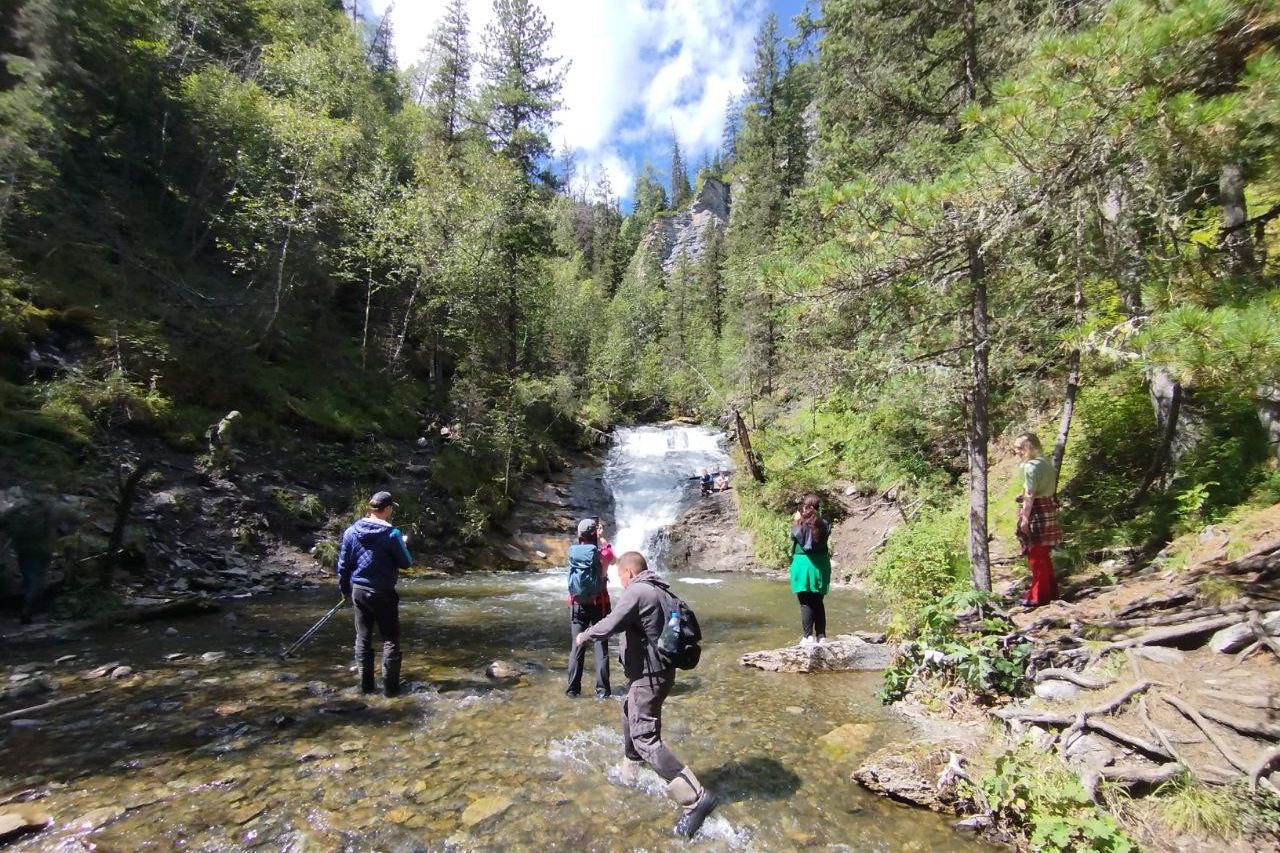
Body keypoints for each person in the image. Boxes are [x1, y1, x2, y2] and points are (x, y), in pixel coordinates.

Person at [576, 552, 718, 839]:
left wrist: (583, 636)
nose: (620, 583)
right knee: (629, 712)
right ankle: (631, 769)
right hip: (656, 675)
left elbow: (611, 623)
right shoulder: (659, 590)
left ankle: (696, 799)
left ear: (628, 572)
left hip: (648, 677)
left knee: (645, 737)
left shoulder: (638, 591)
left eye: (620, 578)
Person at [337, 491, 411, 696]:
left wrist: (344, 590)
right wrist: (401, 545)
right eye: (391, 508)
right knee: (390, 639)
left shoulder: (351, 531)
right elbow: (406, 563)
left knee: (363, 638)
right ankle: (391, 692)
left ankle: (366, 688)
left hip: (358, 592)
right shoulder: (392, 534)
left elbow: (343, 566)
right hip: (384, 593)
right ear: (387, 509)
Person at [566, 517, 614, 698]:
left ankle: (572, 691)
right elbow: (613, 559)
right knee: (601, 647)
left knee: (577, 646)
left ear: (579, 535)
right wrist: (603, 539)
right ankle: (603, 692)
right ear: (595, 532)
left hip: (577, 604)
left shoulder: (573, 553)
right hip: (600, 605)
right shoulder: (602, 554)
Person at [1014, 432, 1062, 608]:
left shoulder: (1031, 466)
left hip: (1037, 511)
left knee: (1036, 555)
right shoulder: (1045, 462)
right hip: (1047, 507)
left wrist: (1025, 519)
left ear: (1029, 447)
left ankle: (1038, 597)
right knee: (1042, 554)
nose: (1016, 451)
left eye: (1019, 448)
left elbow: (1031, 494)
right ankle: (1050, 593)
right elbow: (1040, 488)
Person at [790, 494, 832, 646]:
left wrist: (796, 520)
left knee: (806, 602)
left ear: (804, 508)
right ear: (818, 508)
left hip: (802, 565)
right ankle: (821, 636)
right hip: (821, 565)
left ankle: (807, 637)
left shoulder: (798, 525)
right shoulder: (825, 524)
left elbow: (794, 538)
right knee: (818, 601)